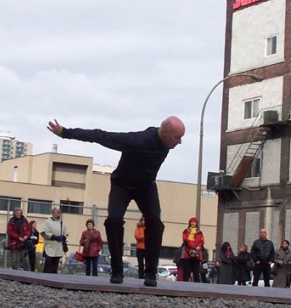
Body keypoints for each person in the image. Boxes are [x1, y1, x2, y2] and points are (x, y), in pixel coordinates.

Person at [47, 116, 185, 287]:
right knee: (113, 221)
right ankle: (117, 270)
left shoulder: (166, 141)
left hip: (146, 187)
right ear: (165, 132)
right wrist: (65, 132)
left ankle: (150, 274)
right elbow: (100, 136)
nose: (179, 142)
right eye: (177, 137)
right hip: (122, 185)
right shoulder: (136, 140)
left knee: (155, 223)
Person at [41, 207, 69, 274]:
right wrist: (53, 237)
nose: (56, 214)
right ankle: (45, 277)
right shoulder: (47, 222)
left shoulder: (62, 222)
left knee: (55, 263)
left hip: (58, 246)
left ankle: (53, 278)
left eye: (57, 212)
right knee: (48, 262)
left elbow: (66, 233)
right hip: (50, 245)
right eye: (54, 212)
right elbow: (44, 232)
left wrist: (62, 237)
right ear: (52, 213)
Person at [6, 207, 31, 271]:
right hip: (14, 243)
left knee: (25, 259)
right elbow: (10, 232)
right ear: (14, 213)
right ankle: (15, 272)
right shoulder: (11, 221)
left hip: (23, 243)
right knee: (14, 259)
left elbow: (28, 229)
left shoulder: (24, 220)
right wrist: (18, 237)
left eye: (20, 213)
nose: (18, 214)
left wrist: (26, 236)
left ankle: (27, 273)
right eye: (17, 213)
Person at [180, 217, 204, 283]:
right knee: (186, 274)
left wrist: (198, 247)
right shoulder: (185, 231)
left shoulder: (200, 232)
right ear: (189, 223)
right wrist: (193, 247)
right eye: (192, 222)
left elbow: (201, 241)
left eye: (194, 222)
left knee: (196, 273)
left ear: (196, 223)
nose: (193, 223)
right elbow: (185, 240)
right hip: (187, 255)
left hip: (197, 255)